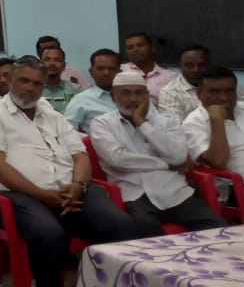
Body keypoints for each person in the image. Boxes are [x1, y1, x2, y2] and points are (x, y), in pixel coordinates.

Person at [0, 57, 137, 287]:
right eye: (24, 81)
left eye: (37, 83)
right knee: (49, 234)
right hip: (17, 196)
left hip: (70, 193)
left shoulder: (54, 117)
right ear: (11, 81)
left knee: (121, 225)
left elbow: (80, 156)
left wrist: (78, 186)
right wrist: (42, 195)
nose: (30, 88)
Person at [89, 72, 225, 235]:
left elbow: (178, 157)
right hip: (133, 194)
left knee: (218, 228)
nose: (133, 98)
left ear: (146, 96)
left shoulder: (167, 121)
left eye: (139, 93)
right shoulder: (102, 123)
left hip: (174, 192)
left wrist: (142, 123)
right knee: (148, 233)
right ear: (113, 97)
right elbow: (117, 159)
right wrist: (165, 165)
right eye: (126, 93)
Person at [181, 66, 244, 219]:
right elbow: (218, 162)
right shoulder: (193, 124)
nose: (224, 98)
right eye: (214, 92)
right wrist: (217, 120)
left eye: (229, 91)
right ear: (199, 94)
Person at [157, 44, 244, 123]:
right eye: (189, 65)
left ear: (209, 65)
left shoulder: (226, 84)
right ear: (180, 66)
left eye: (201, 65)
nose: (196, 70)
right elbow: (175, 130)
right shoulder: (170, 92)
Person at [63, 49, 122, 132]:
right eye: (100, 68)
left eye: (111, 68)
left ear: (120, 72)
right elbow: (67, 132)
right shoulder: (81, 100)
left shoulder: (132, 97)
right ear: (91, 72)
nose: (106, 73)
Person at [121, 32, 177, 102]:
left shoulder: (170, 77)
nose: (135, 50)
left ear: (152, 48)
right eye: (130, 47)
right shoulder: (119, 70)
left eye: (140, 45)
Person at [39, 46, 81, 111]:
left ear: (64, 66)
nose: (52, 63)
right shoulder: (31, 89)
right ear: (40, 64)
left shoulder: (77, 90)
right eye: (47, 59)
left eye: (57, 60)